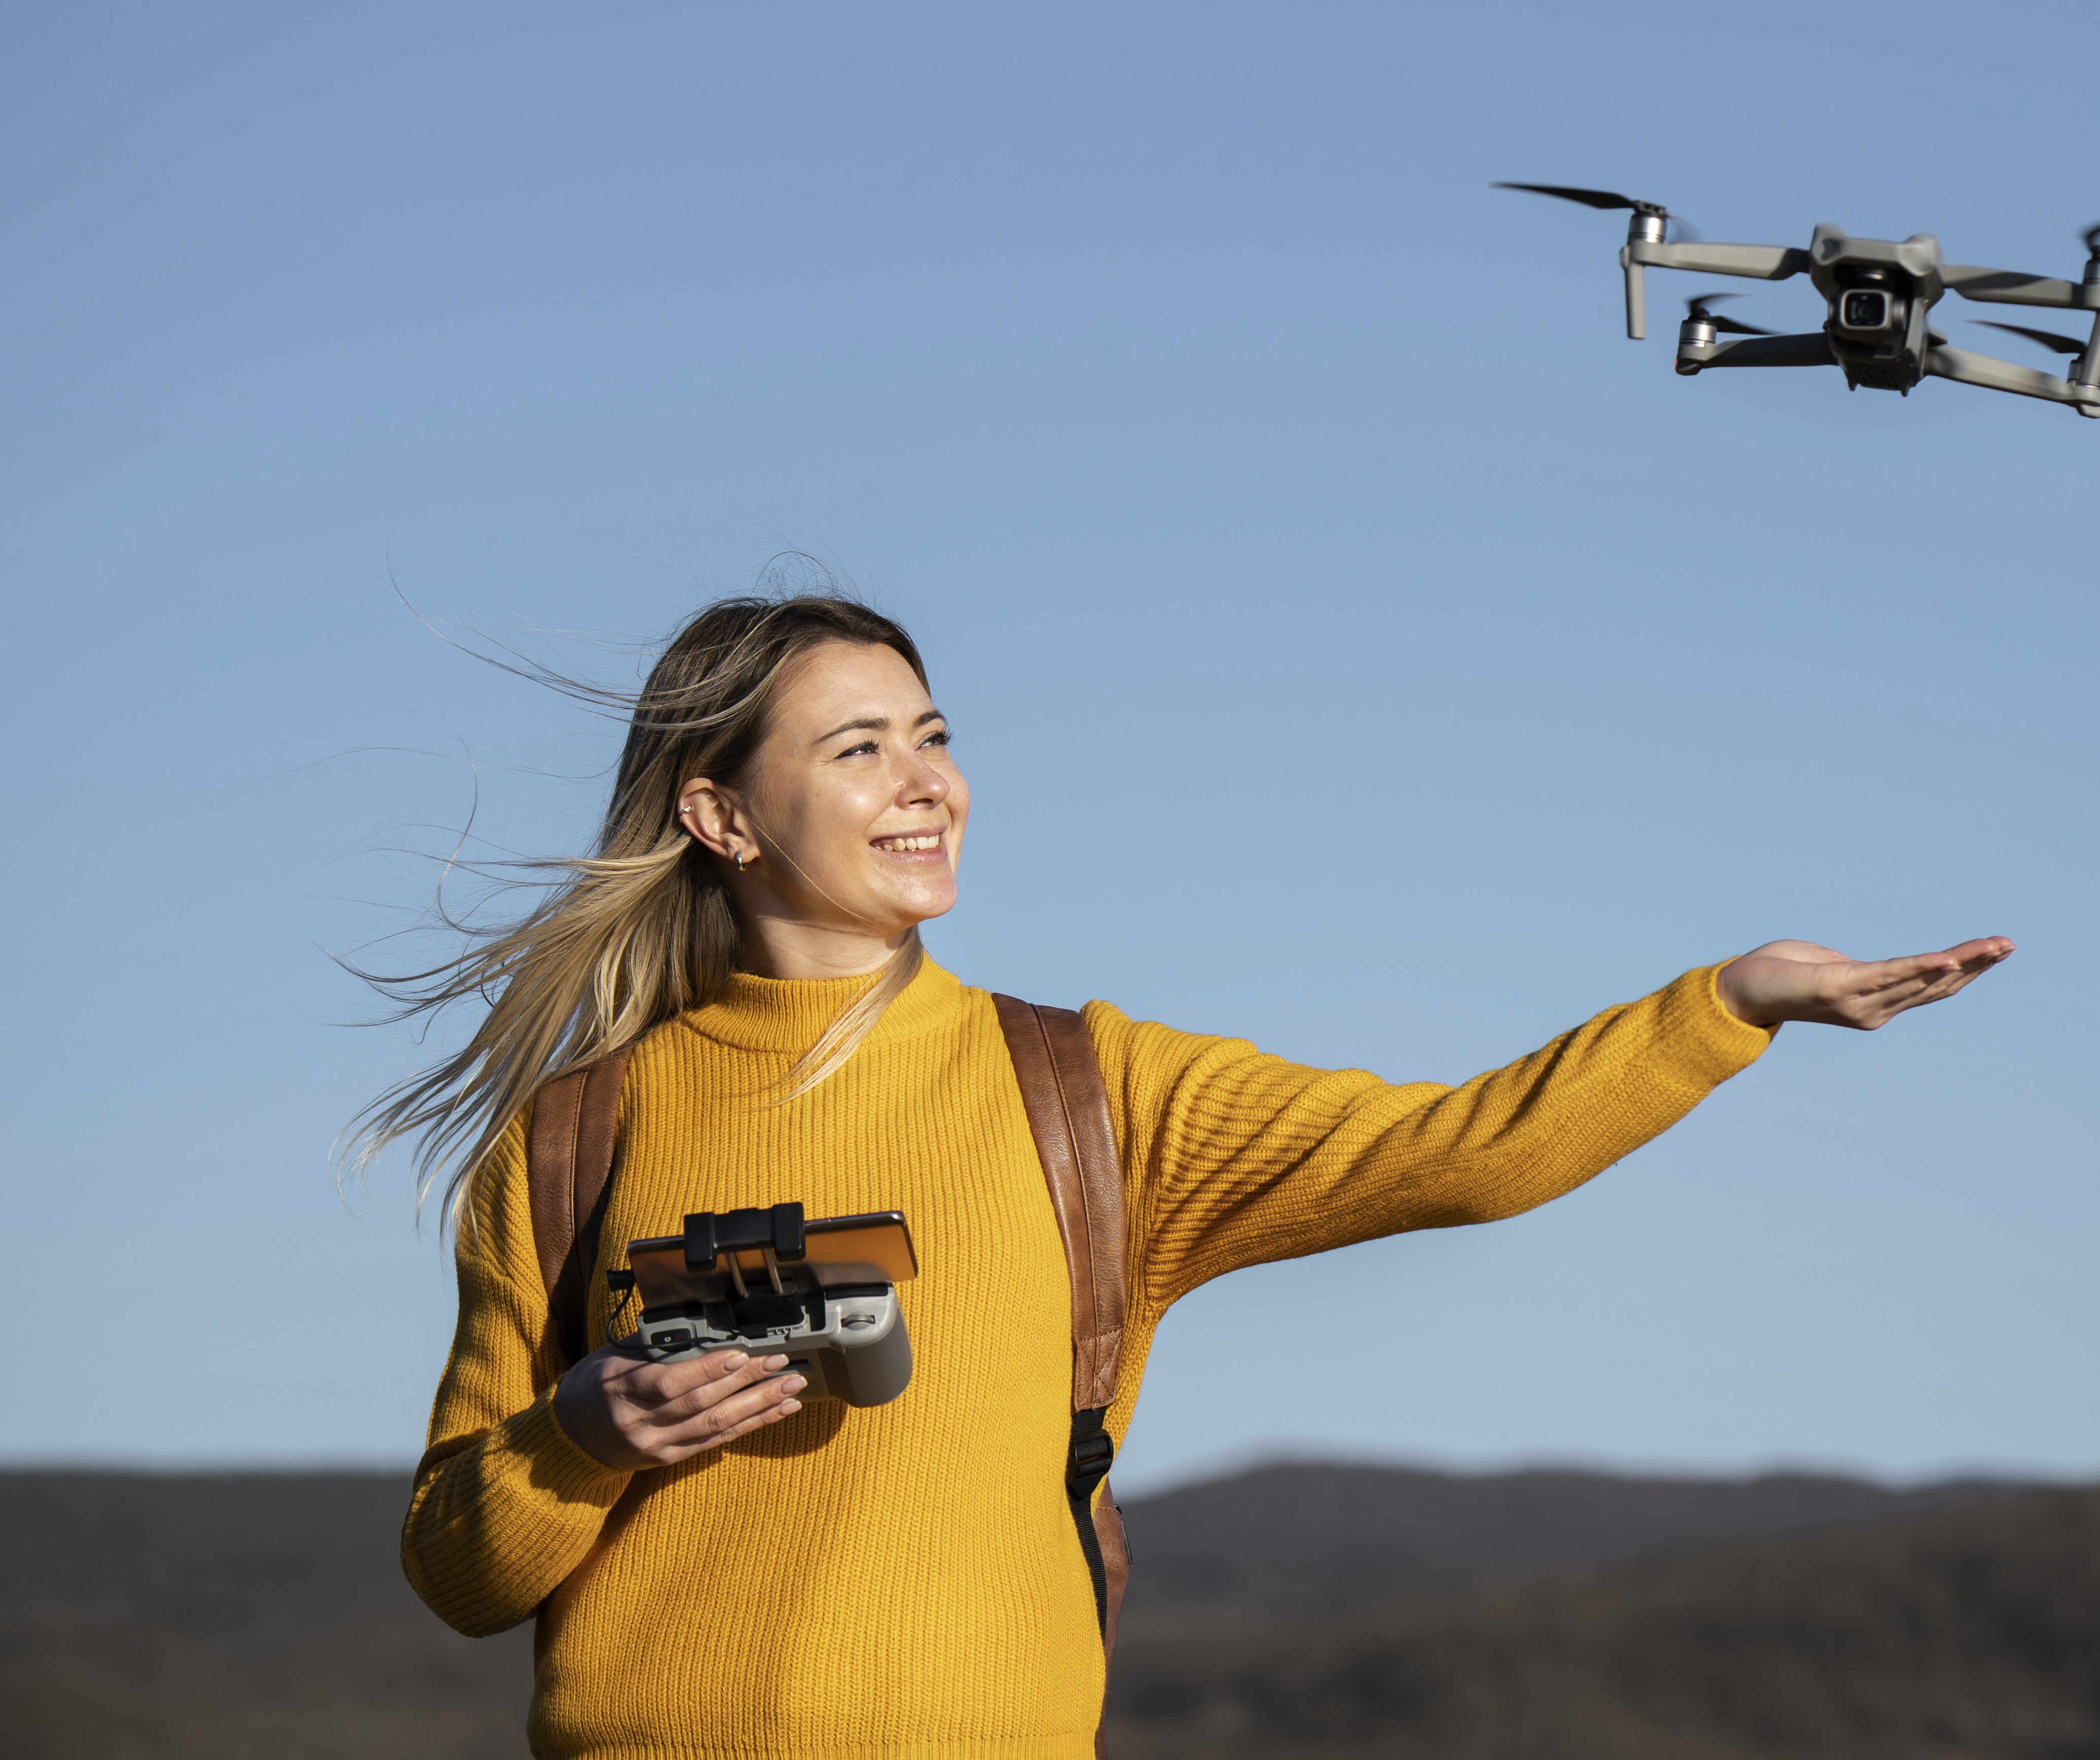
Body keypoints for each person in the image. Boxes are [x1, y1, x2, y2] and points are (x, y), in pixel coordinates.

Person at [370, 592, 2011, 1759]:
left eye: (932, 736)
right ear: (721, 814)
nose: (928, 782)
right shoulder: (576, 1138)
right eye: (860, 749)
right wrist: (586, 1433)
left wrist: (1725, 1005)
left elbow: (1463, 1153)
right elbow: (457, 1565)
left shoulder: (1089, 1094)